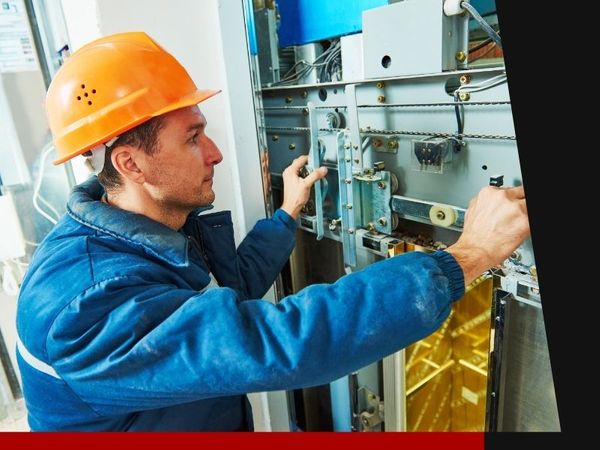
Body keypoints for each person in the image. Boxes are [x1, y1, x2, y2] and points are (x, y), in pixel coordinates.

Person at [15, 32, 529, 431]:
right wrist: (469, 254)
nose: (214, 152)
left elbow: (225, 298)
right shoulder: (86, 307)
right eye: (193, 138)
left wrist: (285, 216)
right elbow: (278, 343)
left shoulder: (147, 232)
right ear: (131, 163)